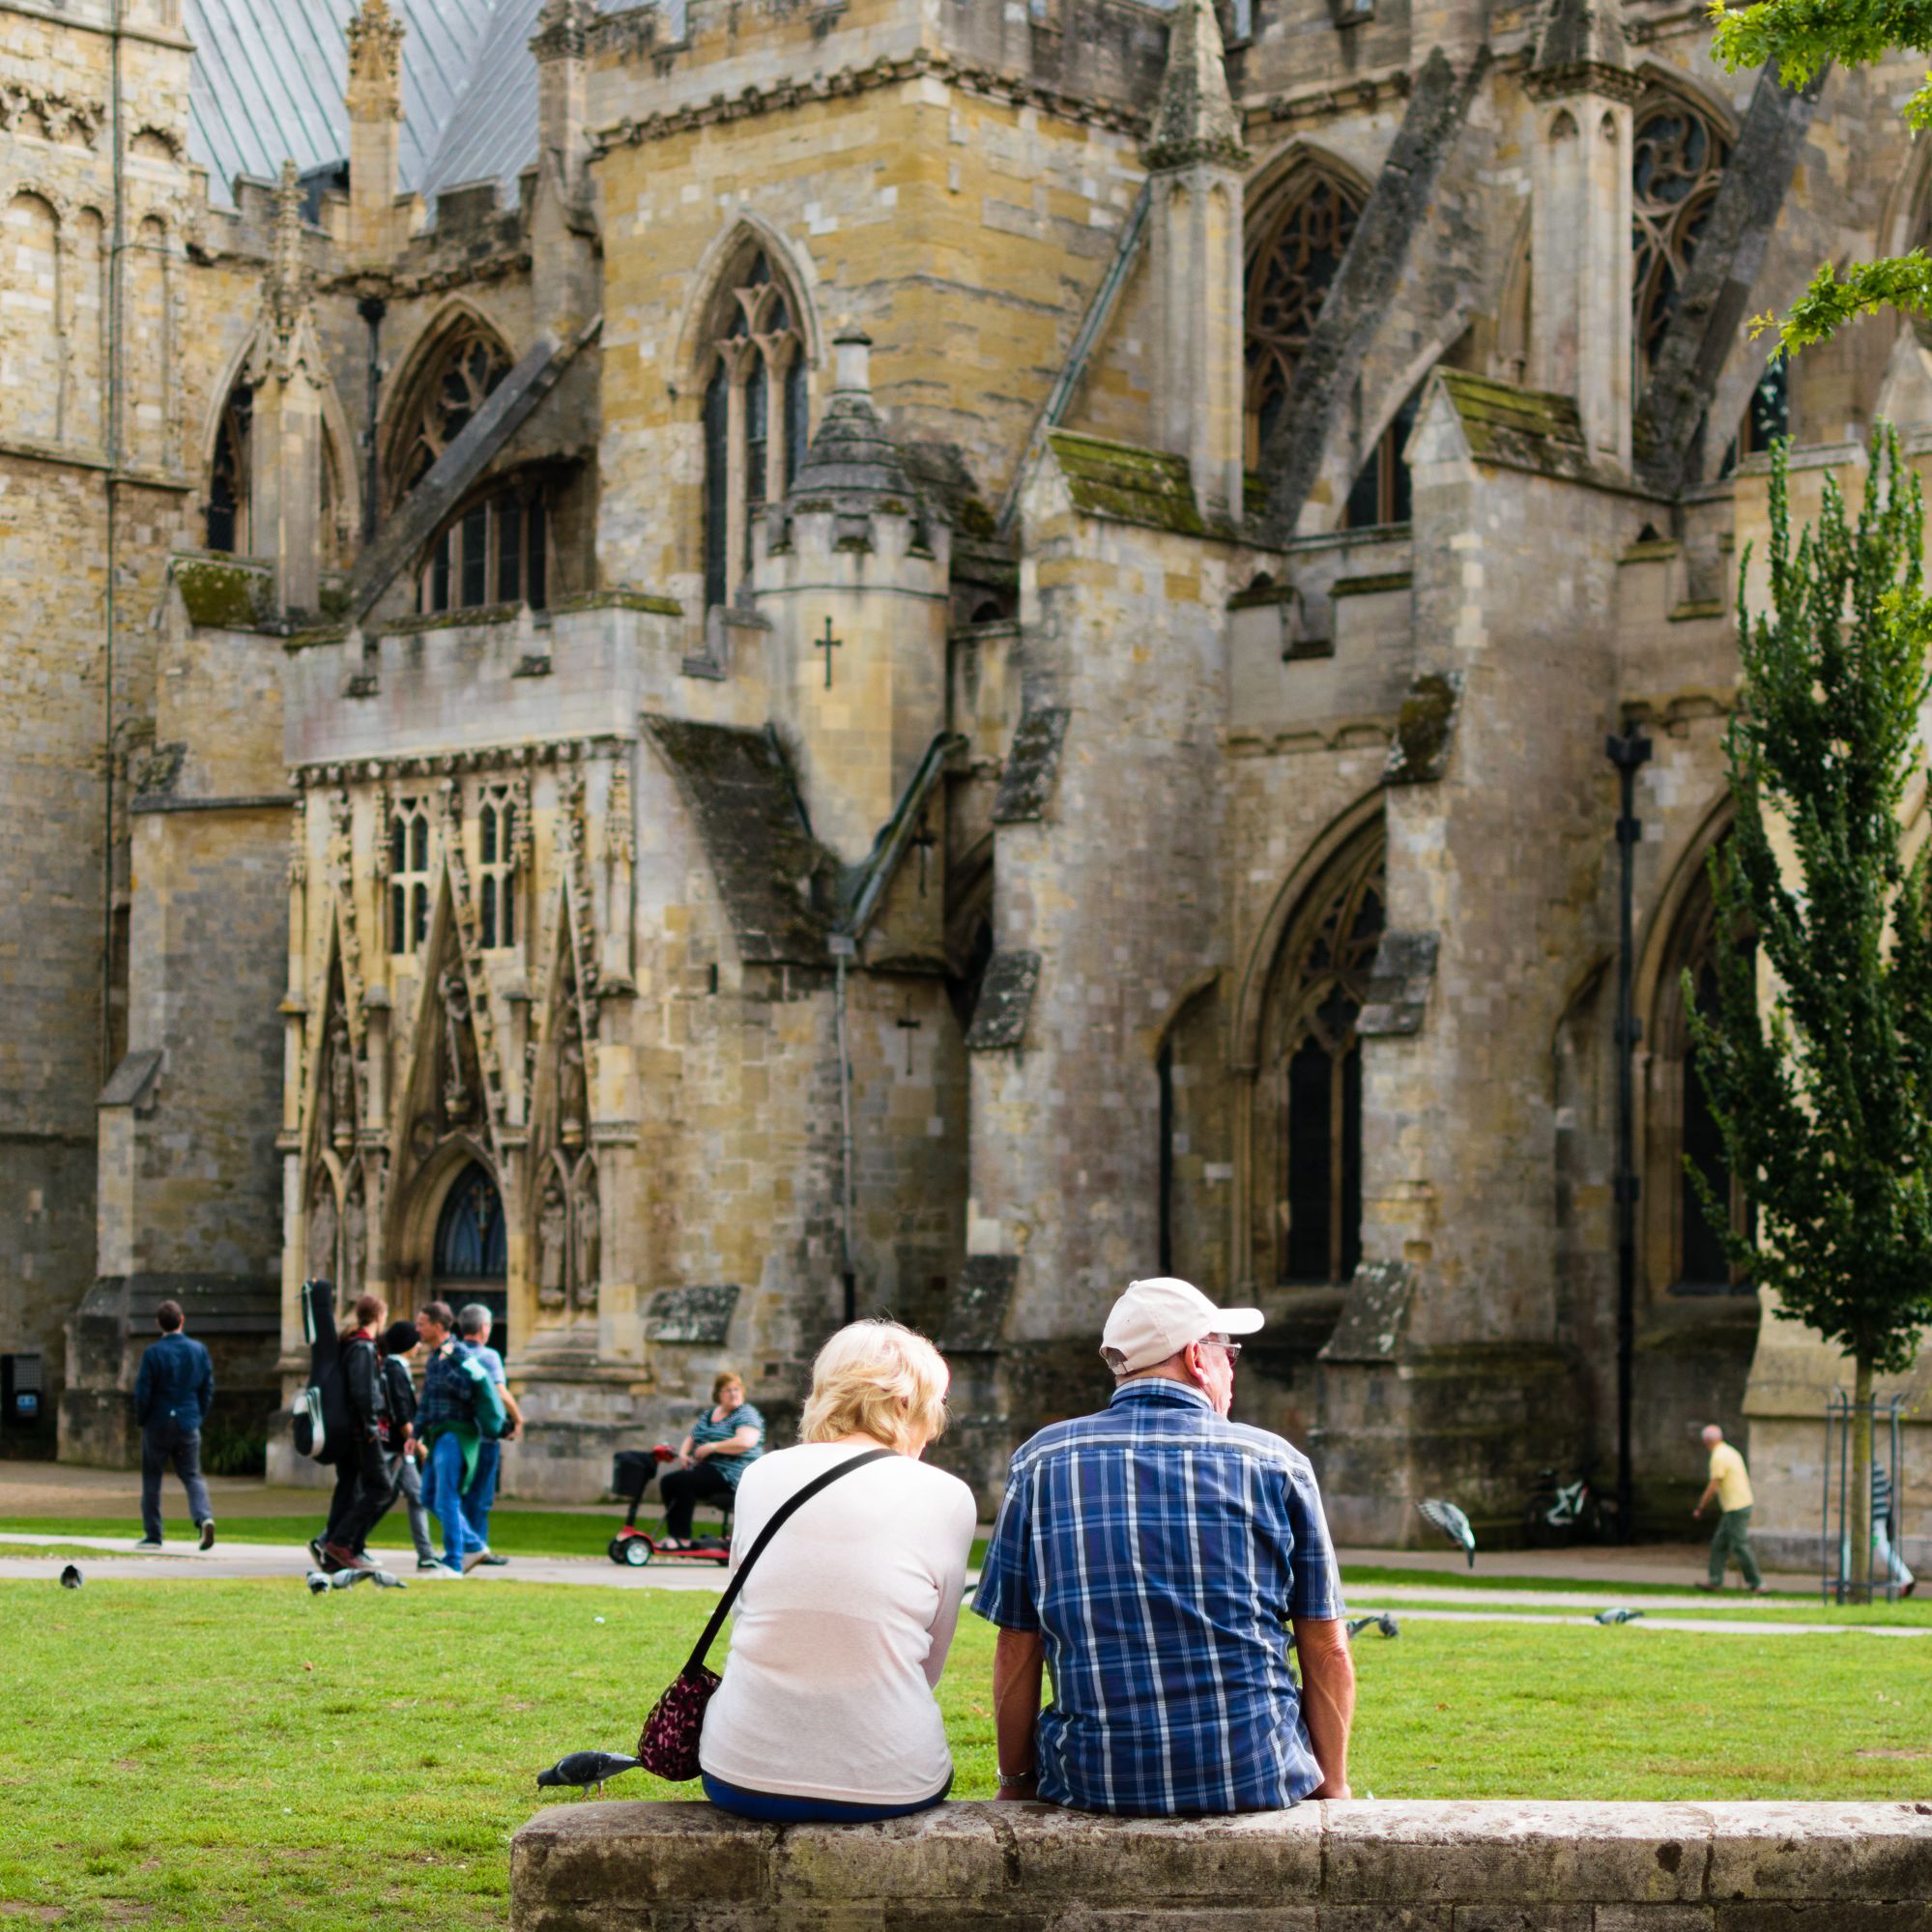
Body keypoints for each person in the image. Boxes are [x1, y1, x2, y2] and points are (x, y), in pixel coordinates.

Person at [974, 1276, 1354, 1815]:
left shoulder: (1041, 1461)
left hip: (1095, 1781)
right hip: (1256, 1776)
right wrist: (1333, 1786)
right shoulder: (1276, 1463)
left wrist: (1015, 1781)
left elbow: (1017, 1643)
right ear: (1198, 1358)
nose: (1233, 1370)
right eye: (1230, 1353)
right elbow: (1328, 1645)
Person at [698, 1320, 976, 1822]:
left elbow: (751, 1615)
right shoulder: (948, 1496)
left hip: (740, 1769)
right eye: (934, 1405)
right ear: (905, 1405)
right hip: (890, 1777)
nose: (934, 1427)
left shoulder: (760, 1475)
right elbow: (928, 1663)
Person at [318, 1293, 393, 1573]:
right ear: (380, 1316)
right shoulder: (362, 1347)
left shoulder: (351, 1344)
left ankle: (331, 1551)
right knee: (381, 1487)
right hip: (363, 1431)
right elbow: (362, 1392)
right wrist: (372, 1425)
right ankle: (340, 1541)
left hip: (351, 1430)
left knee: (348, 1486)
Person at [133, 1300, 216, 1552]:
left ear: (159, 1323)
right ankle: (204, 1518)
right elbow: (207, 1387)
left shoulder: (153, 1353)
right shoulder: (198, 1350)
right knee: (192, 1476)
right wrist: (197, 1415)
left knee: (152, 1478)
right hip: (187, 1420)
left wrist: (142, 1418)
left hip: (158, 1421)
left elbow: (142, 1392)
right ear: (182, 1320)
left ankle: (154, 1534)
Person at [415, 1301, 487, 1575]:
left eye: (422, 1324)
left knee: (447, 1497)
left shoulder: (458, 1353)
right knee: (429, 1496)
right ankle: (474, 1545)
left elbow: (470, 1390)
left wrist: (446, 1369)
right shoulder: (435, 1357)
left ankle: (454, 1561)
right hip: (437, 1435)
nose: (418, 1329)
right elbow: (427, 1401)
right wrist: (415, 1433)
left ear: (437, 1326)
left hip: (456, 1434)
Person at [657, 1370, 765, 1549]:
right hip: (711, 1469)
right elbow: (692, 1436)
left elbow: (746, 1441)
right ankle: (675, 1535)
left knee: (681, 1482)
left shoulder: (746, 1413)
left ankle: (681, 1538)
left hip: (735, 1474)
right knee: (669, 1482)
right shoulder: (710, 1415)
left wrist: (712, 1447)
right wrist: (684, 1454)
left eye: (736, 1389)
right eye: (728, 1390)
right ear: (718, 1394)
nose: (733, 1394)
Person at [455, 1304, 523, 1568]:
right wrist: (517, 1418)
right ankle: (478, 1547)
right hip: (483, 1437)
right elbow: (500, 1392)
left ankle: (460, 1546)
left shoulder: (451, 1353)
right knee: (481, 1498)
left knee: (457, 1494)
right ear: (484, 1328)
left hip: (458, 1435)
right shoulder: (489, 1356)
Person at [376, 1318, 441, 1572]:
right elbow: (401, 1414)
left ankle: (425, 1555)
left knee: (414, 1495)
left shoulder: (396, 1367)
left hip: (401, 1449)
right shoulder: (394, 1370)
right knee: (377, 1498)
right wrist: (418, 1445)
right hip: (396, 1447)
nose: (419, 1345)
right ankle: (339, 1541)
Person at [1693, 1423, 1766, 1594]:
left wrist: (1700, 1506)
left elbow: (1714, 1485)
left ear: (1706, 1441)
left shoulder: (1718, 1457)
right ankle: (1715, 1580)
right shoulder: (1729, 1451)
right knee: (1719, 1543)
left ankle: (1758, 1583)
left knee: (1739, 1545)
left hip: (1736, 1506)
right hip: (1738, 1504)